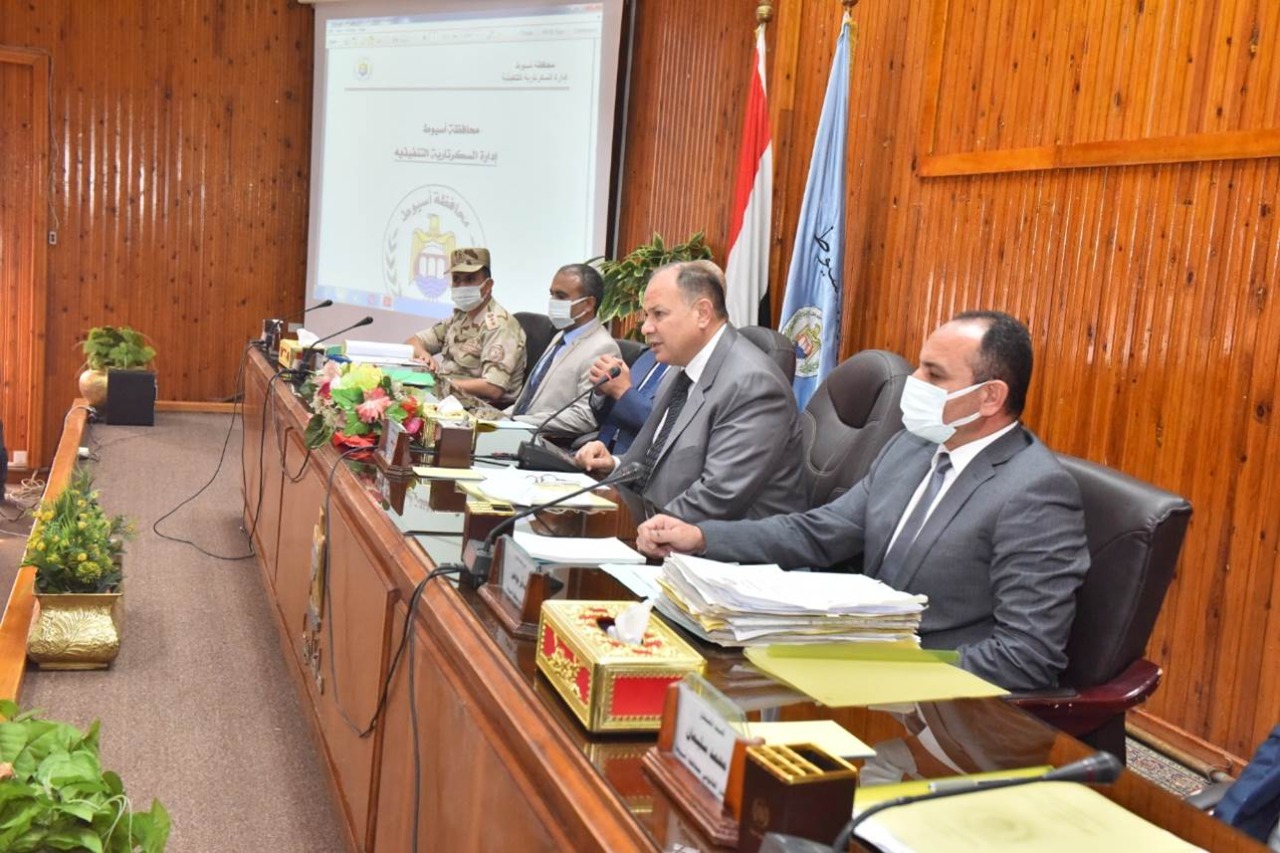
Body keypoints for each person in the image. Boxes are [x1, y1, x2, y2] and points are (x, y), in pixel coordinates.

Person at [636, 311, 1090, 692]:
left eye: (934, 374)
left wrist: (884, 673)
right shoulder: (911, 447)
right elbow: (818, 532)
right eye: (919, 367)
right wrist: (701, 537)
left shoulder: (1034, 492)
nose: (914, 381)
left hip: (934, 704)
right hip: (856, 658)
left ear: (989, 397)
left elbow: (1025, 656)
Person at [576, 260, 806, 522]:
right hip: (657, 522)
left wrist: (632, 527)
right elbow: (661, 457)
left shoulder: (753, 385)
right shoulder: (681, 366)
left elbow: (715, 499)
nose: (645, 327)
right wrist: (615, 465)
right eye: (647, 315)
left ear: (702, 313)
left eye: (658, 314)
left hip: (715, 542)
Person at [406, 247, 526, 404]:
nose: (462, 286)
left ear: (488, 285)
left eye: (470, 279)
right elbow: (413, 342)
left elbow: (493, 388)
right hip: (448, 399)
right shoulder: (461, 317)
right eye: (456, 280)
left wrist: (442, 383)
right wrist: (423, 354)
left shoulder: (500, 325)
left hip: (480, 408)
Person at [509, 264, 619, 434]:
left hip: (543, 439)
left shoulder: (603, 348)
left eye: (561, 296)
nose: (553, 302)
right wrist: (497, 419)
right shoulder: (562, 335)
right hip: (517, 429)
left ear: (588, 304)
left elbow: (584, 417)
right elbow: (529, 400)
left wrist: (517, 423)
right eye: (552, 294)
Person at [588, 347, 670, 454]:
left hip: (633, 460)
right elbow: (607, 416)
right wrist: (602, 393)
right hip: (597, 450)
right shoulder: (648, 355)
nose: (646, 332)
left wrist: (623, 391)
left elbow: (665, 428)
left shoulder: (687, 372)